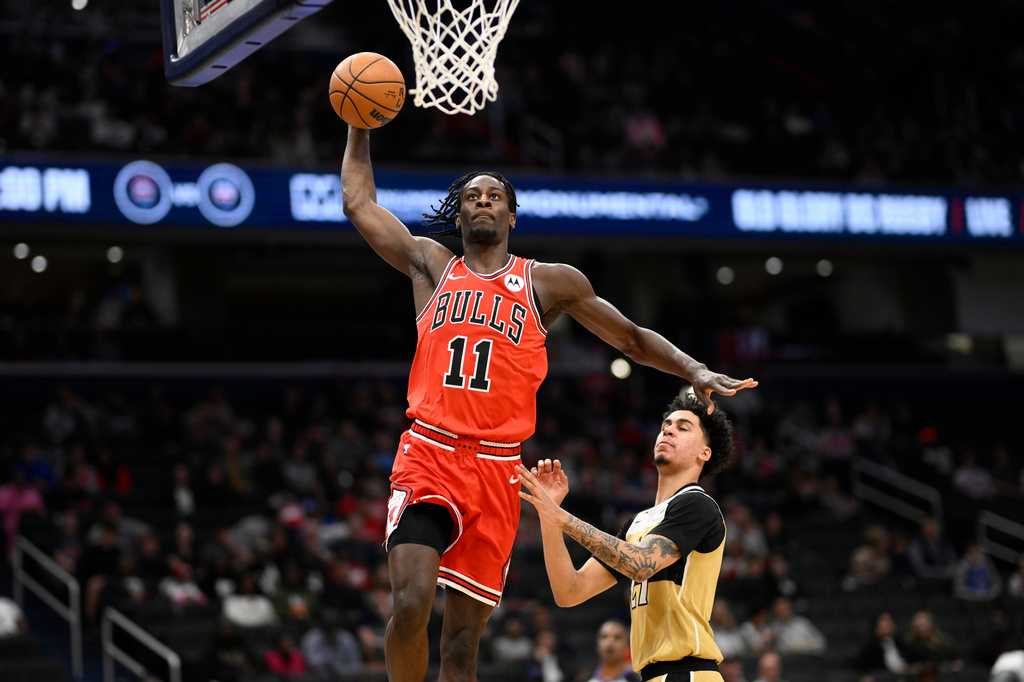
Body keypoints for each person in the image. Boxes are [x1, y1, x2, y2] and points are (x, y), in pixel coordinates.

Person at [340, 124, 758, 682]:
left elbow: (631, 338)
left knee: (462, 644)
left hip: (496, 471)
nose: (483, 201)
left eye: (495, 196)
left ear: (512, 217)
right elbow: (358, 201)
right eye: (472, 196)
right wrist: (358, 126)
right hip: (430, 453)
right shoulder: (431, 267)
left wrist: (692, 367)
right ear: (458, 216)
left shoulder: (548, 283)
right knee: (412, 603)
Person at [516, 392, 735, 681]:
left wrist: (565, 519)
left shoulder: (697, 504)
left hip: (688, 671)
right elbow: (569, 592)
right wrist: (550, 515)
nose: (668, 429)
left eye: (683, 428)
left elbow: (641, 564)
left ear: (704, 453)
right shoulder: (638, 522)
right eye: (666, 425)